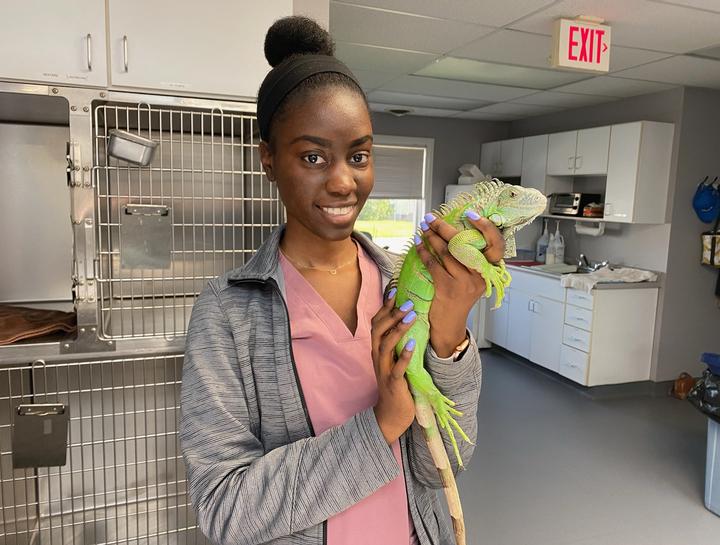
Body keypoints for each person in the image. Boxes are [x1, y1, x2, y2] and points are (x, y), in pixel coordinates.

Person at [180, 15, 505, 545]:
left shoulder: (398, 286)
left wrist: (449, 334)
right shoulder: (227, 312)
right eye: (313, 157)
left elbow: (444, 464)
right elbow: (225, 510)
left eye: (358, 155)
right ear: (268, 159)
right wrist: (380, 426)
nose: (342, 181)